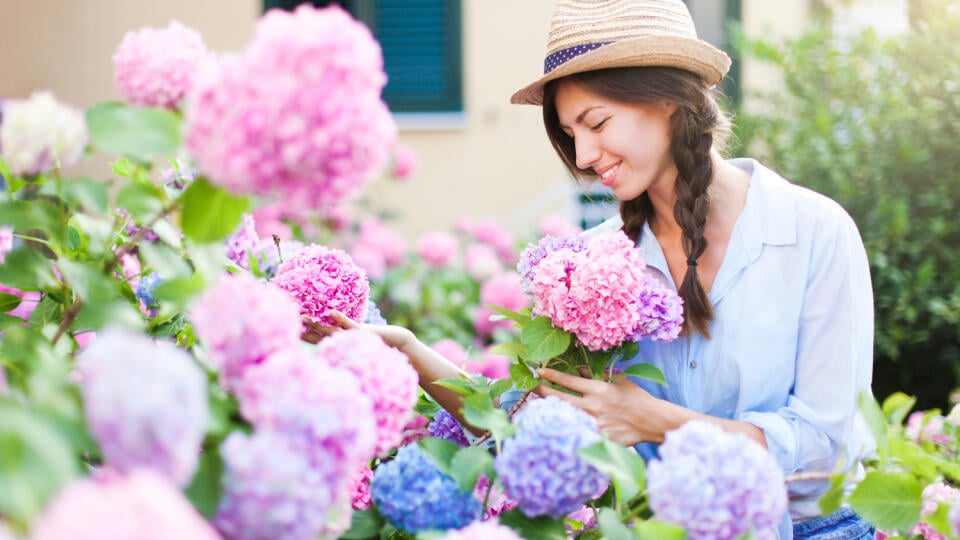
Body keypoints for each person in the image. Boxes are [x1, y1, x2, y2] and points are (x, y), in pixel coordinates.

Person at [304, 1, 876, 538]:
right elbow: (525, 427)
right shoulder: (589, 266)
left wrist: (652, 419)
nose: (581, 157)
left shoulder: (812, 233)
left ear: (667, 99)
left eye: (597, 124)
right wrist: (407, 350)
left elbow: (827, 445)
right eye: (571, 134)